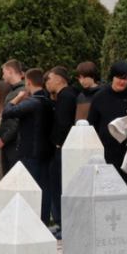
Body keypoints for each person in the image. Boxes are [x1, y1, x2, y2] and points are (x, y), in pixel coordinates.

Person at [0, 68, 56, 216]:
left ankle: (33, 218)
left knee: (31, 189)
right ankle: (43, 219)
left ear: (28, 82)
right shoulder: (48, 101)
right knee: (45, 188)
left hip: (30, 152)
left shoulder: (32, 102)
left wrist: (17, 97)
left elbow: (7, 112)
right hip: (47, 151)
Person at [86, 61, 127, 177]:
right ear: (112, 77)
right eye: (119, 78)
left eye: (126, 78)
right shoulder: (100, 96)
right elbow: (92, 124)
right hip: (107, 150)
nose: (122, 82)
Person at [44, 66, 77, 234]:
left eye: (49, 79)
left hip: (62, 147)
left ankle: (62, 224)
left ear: (58, 79)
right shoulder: (68, 95)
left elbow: (63, 123)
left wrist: (58, 142)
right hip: (64, 147)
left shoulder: (65, 96)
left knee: (58, 186)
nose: (47, 83)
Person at [0, 59, 27, 174]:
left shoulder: (22, 92)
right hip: (11, 143)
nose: (3, 76)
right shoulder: (14, 91)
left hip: (15, 144)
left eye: (4, 72)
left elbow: (17, 120)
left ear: (10, 71)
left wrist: (4, 139)